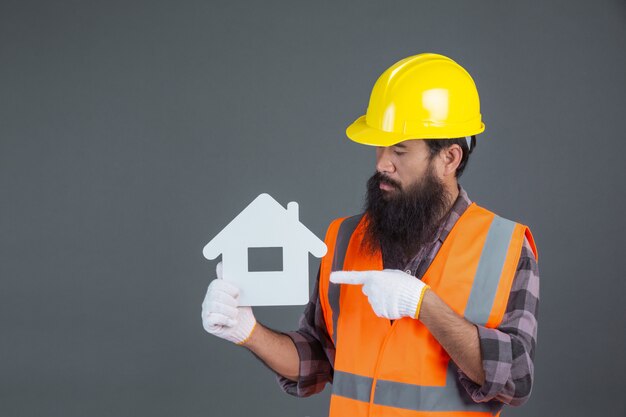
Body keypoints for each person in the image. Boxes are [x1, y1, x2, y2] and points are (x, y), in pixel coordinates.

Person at [201, 53, 540, 417]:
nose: (382, 163)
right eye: (380, 146)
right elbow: (318, 360)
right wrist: (247, 331)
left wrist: (422, 305)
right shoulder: (345, 238)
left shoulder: (504, 249)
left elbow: (516, 379)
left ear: (449, 158)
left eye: (399, 150)